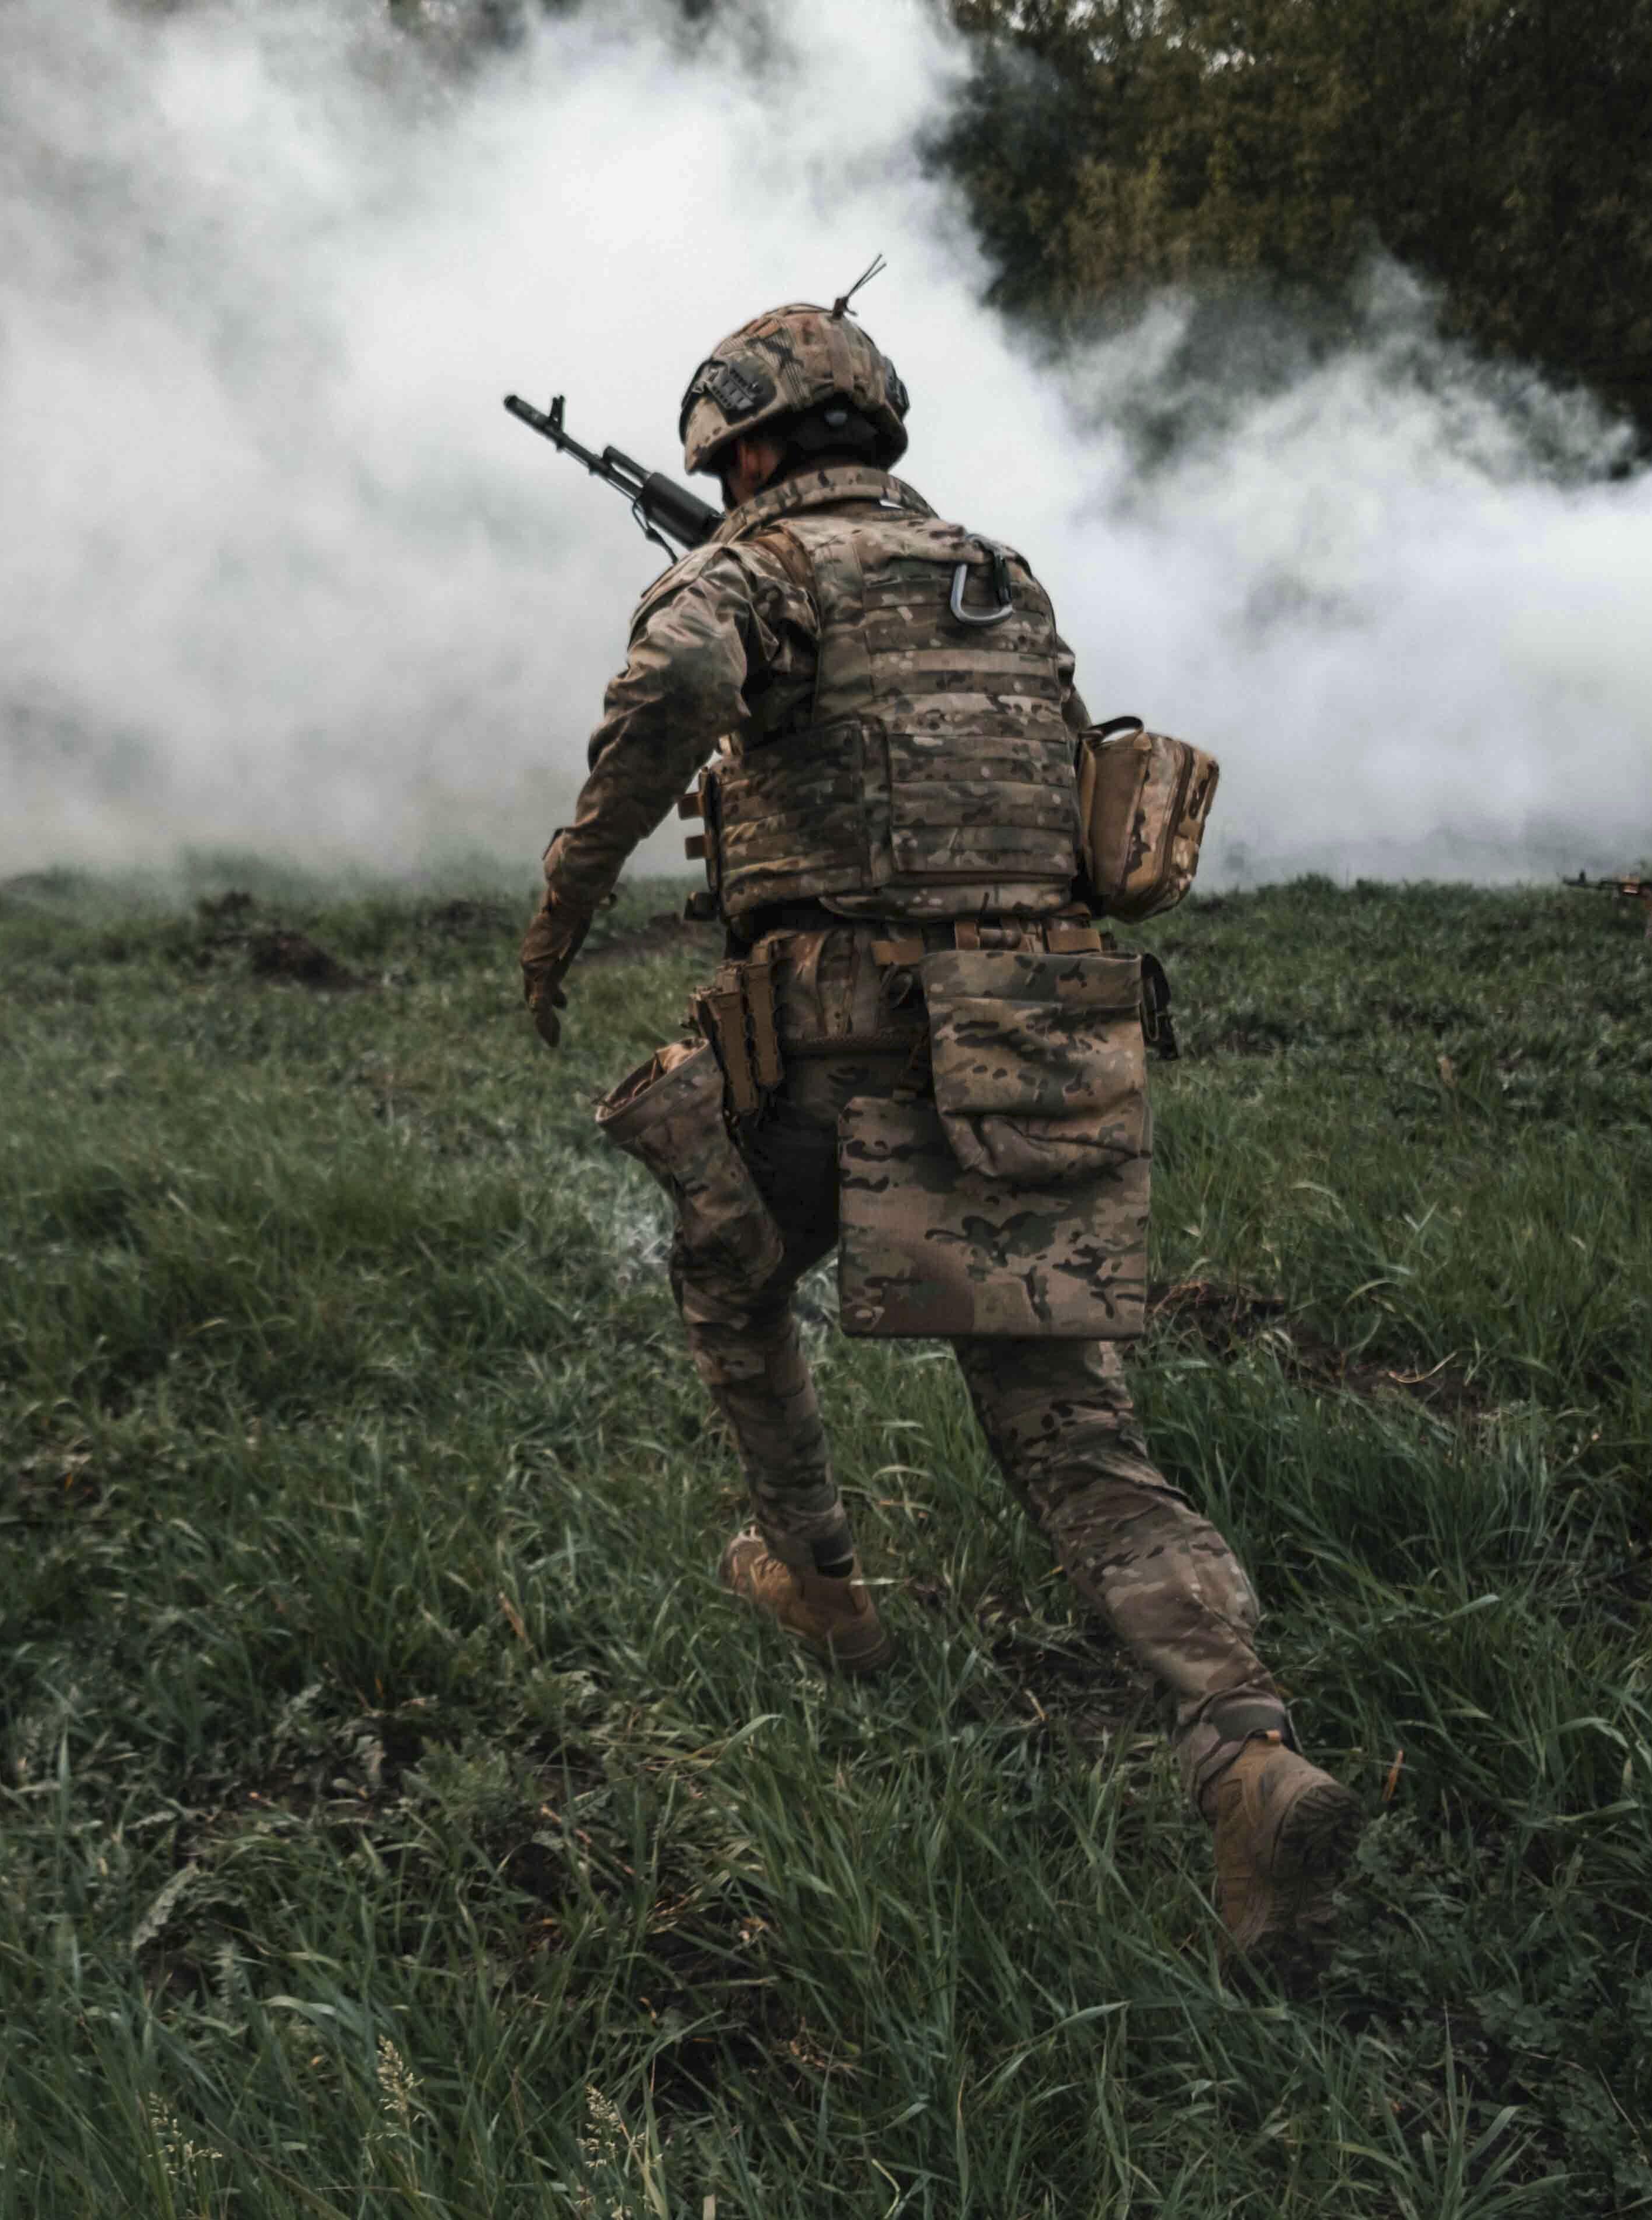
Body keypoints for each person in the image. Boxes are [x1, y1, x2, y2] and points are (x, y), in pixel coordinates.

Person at [516, 298, 1359, 1978]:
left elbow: (682, 673)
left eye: (731, 458)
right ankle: (1247, 1746)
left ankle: (819, 1576)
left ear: (747, 447)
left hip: (839, 1048)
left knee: (731, 1260)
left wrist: (564, 906)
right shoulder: (1003, 580)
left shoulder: (748, 577)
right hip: (1031, 1047)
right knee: (1070, 1431)